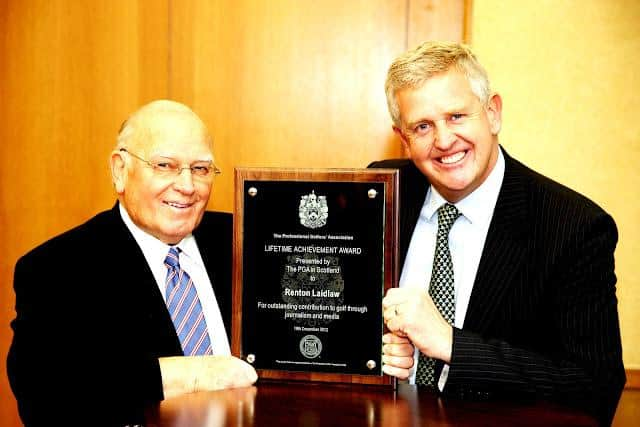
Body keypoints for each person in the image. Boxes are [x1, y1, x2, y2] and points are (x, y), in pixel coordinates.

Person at [372, 41, 625, 425]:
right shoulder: (379, 193)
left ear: (492, 114)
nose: (443, 141)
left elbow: (594, 387)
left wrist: (452, 345)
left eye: (457, 116)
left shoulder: (573, 227)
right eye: (422, 126)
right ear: (403, 140)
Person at [7, 100, 257, 426]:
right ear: (120, 170)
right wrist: (191, 375)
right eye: (165, 165)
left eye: (200, 169)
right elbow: (45, 395)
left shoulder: (247, 241)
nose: (186, 186)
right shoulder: (56, 269)